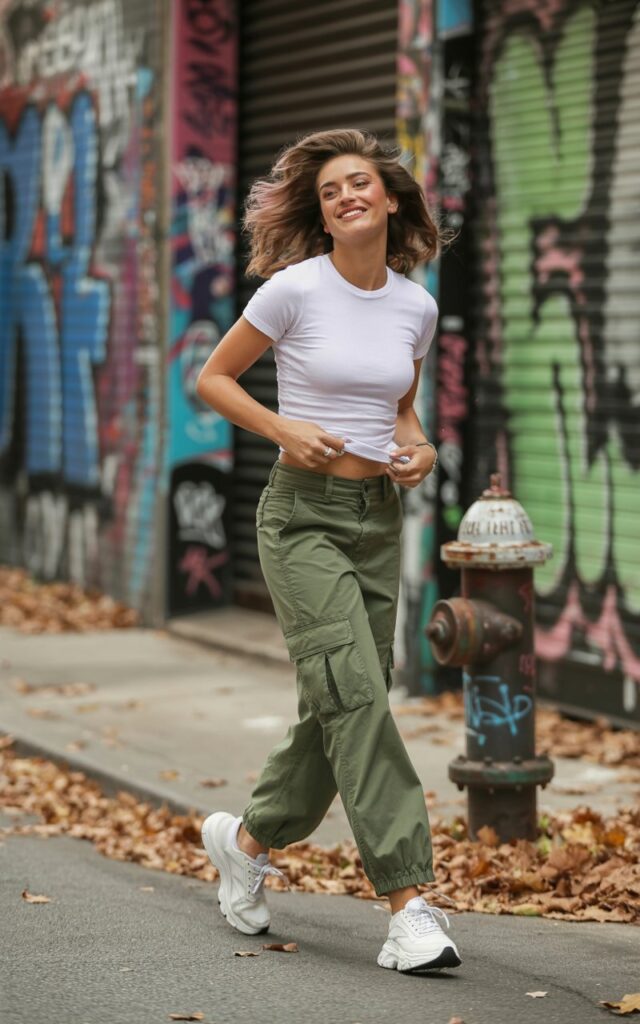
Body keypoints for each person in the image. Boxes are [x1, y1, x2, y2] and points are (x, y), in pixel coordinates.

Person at [195, 128, 461, 973]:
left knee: (342, 699)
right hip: (301, 517)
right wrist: (284, 429)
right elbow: (212, 378)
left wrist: (419, 449)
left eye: (360, 184)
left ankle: (247, 841)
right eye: (330, 190)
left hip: (375, 518)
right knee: (356, 696)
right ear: (322, 212)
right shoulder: (294, 290)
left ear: (391, 199)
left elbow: (401, 408)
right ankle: (408, 903)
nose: (347, 196)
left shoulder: (415, 306)